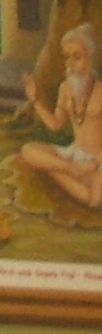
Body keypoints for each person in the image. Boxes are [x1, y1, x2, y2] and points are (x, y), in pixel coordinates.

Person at [21, 24, 102, 207]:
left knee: (93, 201)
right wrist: (35, 100)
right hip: (74, 155)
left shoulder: (101, 91)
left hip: (98, 159)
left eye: (77, 57)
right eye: (67, 57)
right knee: (28, 150)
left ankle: (55, 169)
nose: (70, 63)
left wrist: (95, 164)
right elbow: (56, 124)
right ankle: (69, 170)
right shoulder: (65, 88)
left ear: (90, 58)